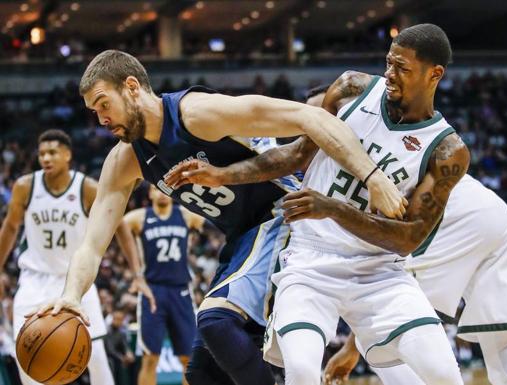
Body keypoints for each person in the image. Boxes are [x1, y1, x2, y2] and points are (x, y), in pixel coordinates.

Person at [168, 23, 507, 385]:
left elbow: (407, 239)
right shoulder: (351, 89)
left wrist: (332, 207)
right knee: (301, 371)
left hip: (381, 271)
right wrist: (221, 174)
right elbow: (295, 156)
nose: (390, 74)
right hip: (311, 259)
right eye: (388, 62)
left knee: (445, 375)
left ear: (435, 74)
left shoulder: (448, 150)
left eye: (402, 67)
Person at [32, 49, 406, 385]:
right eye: (94, 112)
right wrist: (71, 295)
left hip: (286, 215)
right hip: (244, 236)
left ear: (131, 87)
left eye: (103, 104)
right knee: (204, 374)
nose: (100, 119)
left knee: (216, 321)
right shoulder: (125, 159)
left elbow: (307, 116)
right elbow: (91, 246)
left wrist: (372, 176)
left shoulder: (196, 113)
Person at [0, 129, 115, 385]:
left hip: (77, 279)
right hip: (34, 279)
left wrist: (137, 272)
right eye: (41, 154)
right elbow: (9, 228)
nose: (46, 158)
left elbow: (120, 225)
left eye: (52, 152)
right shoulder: (25, 187)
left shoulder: (87, 187)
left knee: (95, 356)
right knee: (27, 352)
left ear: (67, 155)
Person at [115, 185, 204, 385]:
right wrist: (135, 273)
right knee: (150, 358)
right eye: (157, 189)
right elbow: (115, 225)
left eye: (166, 188)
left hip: (181, 291)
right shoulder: (138, 218)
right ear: (150, 193)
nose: (162, 192)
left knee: (188, 359)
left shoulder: (187, 215)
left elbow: (217, 223)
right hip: (152, 292)